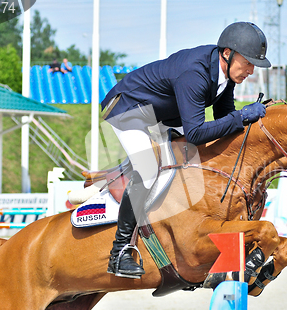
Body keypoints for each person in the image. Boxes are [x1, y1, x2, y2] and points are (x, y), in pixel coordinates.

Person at [101, 22, 271, 279]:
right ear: (227, 53)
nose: (251, 70)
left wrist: (247, 121)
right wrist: (242, 116)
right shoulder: (195, 72)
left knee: (197, 157)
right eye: (248, 63)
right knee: (147, 169)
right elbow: (195, 133)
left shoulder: (224, 75)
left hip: (162, 115)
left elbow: (225, 119)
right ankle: (120, 252)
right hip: (129, 110)